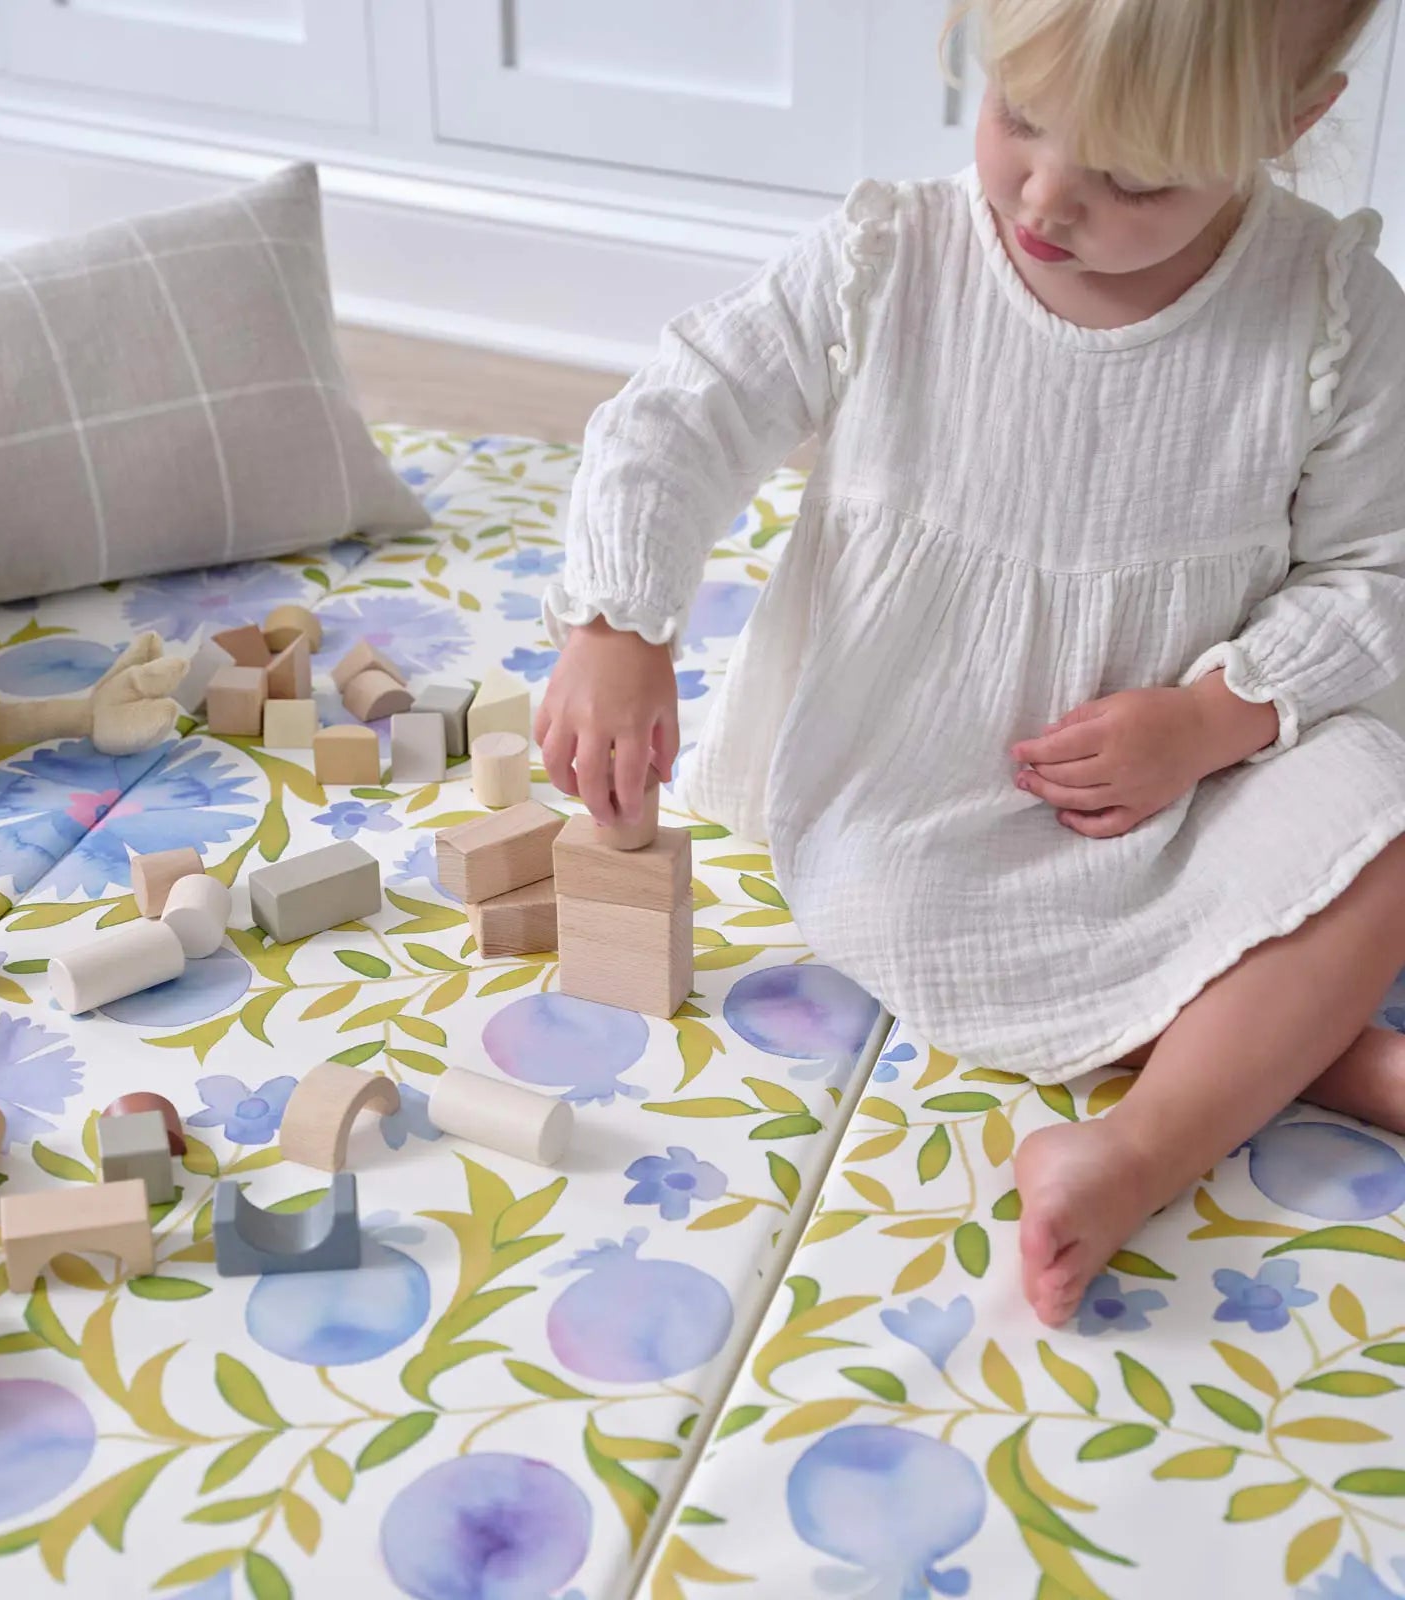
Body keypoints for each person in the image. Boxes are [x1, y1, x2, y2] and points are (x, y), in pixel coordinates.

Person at [534, 0, 1405, 1326]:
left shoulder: (1333, 312)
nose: (1048, 196)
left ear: (1288, 129)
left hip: (1193, 766)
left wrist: (1211, 718)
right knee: (875, 887)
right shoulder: (895, 258)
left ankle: (1137, 1143)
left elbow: (1379, 569)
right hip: (926, 782)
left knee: (1381, 817)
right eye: (1020, 116)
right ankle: (1287, 1053)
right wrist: (620, 622)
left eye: (1131, 177)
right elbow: (684, 407)